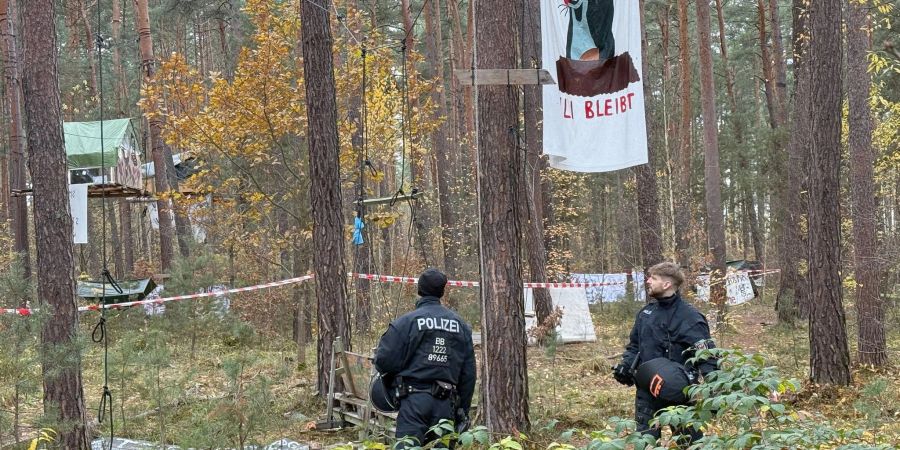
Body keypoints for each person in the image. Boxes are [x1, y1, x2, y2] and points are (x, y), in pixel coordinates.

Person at [612, 262, 717, 443]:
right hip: (647, 390)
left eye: (653, 278)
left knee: (690, 444)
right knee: (645, 443)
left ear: (667, 284)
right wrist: (626, 367)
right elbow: (634, 346)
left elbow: (707, 356)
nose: (648, 281)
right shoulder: (646, 313)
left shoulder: (690, 317)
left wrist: (714, 392)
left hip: (680, 392)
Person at [374, 268, 476, 448]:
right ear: (442, 292)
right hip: (446, 405)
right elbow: (468, 375)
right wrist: (462, 410)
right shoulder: (461, 327)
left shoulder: (406, 323)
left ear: (419, 290)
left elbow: (383, 361)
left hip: (413, 403)